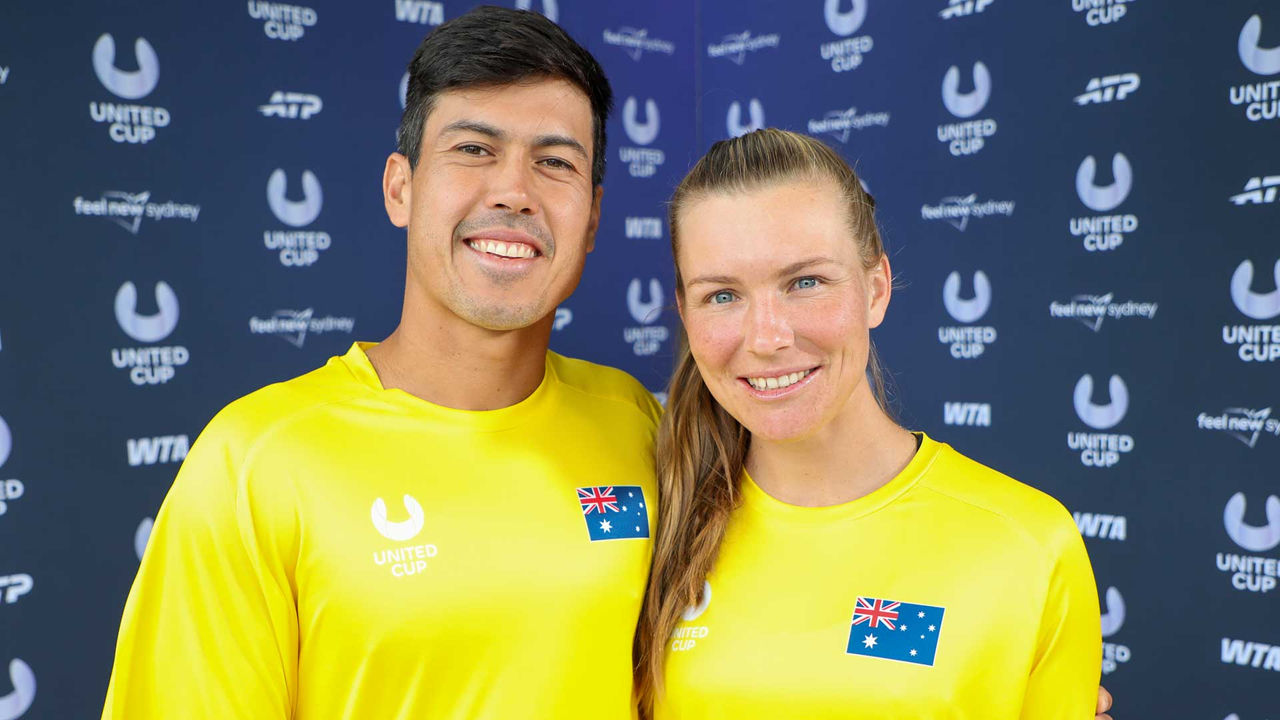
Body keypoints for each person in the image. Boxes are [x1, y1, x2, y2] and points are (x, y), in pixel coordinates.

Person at [101, 8, 661, 719]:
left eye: (555, 163)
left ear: (593, 218)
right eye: (474, 149)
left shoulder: (635, 421)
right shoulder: (254, 463)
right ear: (401, 188)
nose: (515, 192)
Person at [635, 128, 1104, 719]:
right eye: (722, 295)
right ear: (685, 313)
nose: (766, 338)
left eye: (805, 283)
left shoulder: (1028, 544)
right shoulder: (649, 529)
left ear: (875, 290)